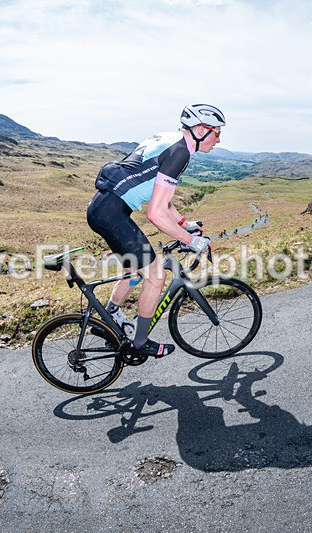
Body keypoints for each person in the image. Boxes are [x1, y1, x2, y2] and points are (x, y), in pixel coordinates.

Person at [87, 104, 221, 357]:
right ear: (203, 130)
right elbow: (156, 213)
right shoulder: (181, 152)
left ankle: (110, 318)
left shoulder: (170, 139)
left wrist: (184, 224)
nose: (218, 139)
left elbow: (162, 199)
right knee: (156, 276)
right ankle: (139, 342)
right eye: (217, 132)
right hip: (112, 214)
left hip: (103, 209)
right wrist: (191, 241)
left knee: (135, 272)